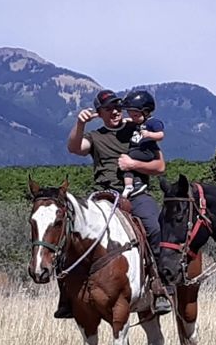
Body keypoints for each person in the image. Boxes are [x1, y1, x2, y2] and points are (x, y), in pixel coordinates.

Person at [66, 89, 173, 316]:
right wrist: (79, 124)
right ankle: (68, 294)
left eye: (118, 107)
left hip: (136, 193)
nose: (115, 111)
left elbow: (160, 167)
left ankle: (159, 286)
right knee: (70, 231)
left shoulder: (138, 130)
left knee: (154, 228)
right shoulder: (94, 137)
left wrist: (133, 164)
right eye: (108, 108)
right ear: (99, 113)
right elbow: (75, 148)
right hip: (103, 196)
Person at [120, 90, 164, 198]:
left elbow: (161, 135)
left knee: (130, 157)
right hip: (136, 150)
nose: (133, 118)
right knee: (127, 162)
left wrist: (149, 134)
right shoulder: (138, 122)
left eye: (135, 115)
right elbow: (133, 120)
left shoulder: (153, 123)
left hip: (146, 151)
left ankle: (134, 184)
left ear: (145, 112)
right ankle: (130, 185)